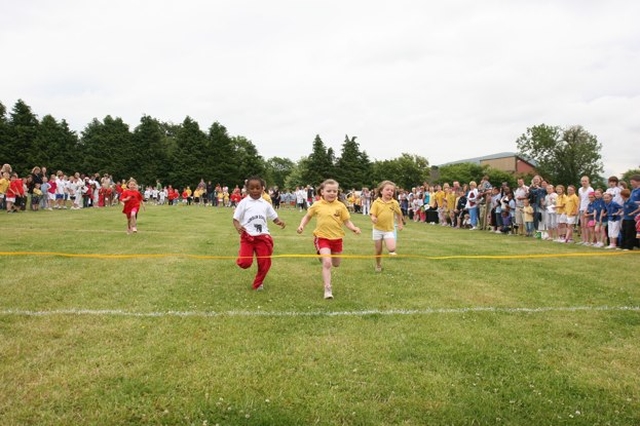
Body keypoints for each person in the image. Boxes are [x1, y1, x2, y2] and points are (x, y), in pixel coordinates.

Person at [297, 179, 361, 299]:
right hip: (322, 237)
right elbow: (307, 217)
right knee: (327, 263)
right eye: (329, 191)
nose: (332, 193)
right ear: (322, 192)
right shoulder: (317, 205)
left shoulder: (341, 206)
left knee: (336, 264)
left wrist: (354, 228)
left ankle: (324, 257)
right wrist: (301, 226)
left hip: (337, 239)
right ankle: (327, 289)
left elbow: (346, 221)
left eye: (334, 191)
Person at [233, 176, 285, 291]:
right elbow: (235, 219)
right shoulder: (244, 203)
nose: (255, 190)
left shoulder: (265, 204)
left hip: (263, 237)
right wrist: (238, 226)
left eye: (258, 188)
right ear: (247, 189)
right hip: (248, 237)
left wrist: (279, 222)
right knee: (244, 263)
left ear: (263, 189)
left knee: (264, 262)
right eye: (252, 188)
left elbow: (274, 217)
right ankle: (242, 256)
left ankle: (258, 283)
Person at [370, 180, 404, 272]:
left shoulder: (394, 203)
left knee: (392, 248)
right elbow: (372, 214)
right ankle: (378, 264)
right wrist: (373, 218)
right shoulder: (376, 203)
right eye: (387, 189)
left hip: (388, 230)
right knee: (378, 250)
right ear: (381, 191)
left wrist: (400, 223)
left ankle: (387, 241)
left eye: (392, 191)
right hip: (377, 229)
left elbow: (399, 214)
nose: (390, 192)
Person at [577, 176, 594, 245]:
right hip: (581, 208)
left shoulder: (590, 189)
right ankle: (583, 240)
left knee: (586, 225)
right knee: (582, 225)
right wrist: (578, 208)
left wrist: (587, 209)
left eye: (585, 181)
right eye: (582, 181)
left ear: (588, 181)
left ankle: (587, 240)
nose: (583, 182)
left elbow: (591, 199)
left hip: (587, 209)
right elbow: (580, 199)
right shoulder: (580, 189)